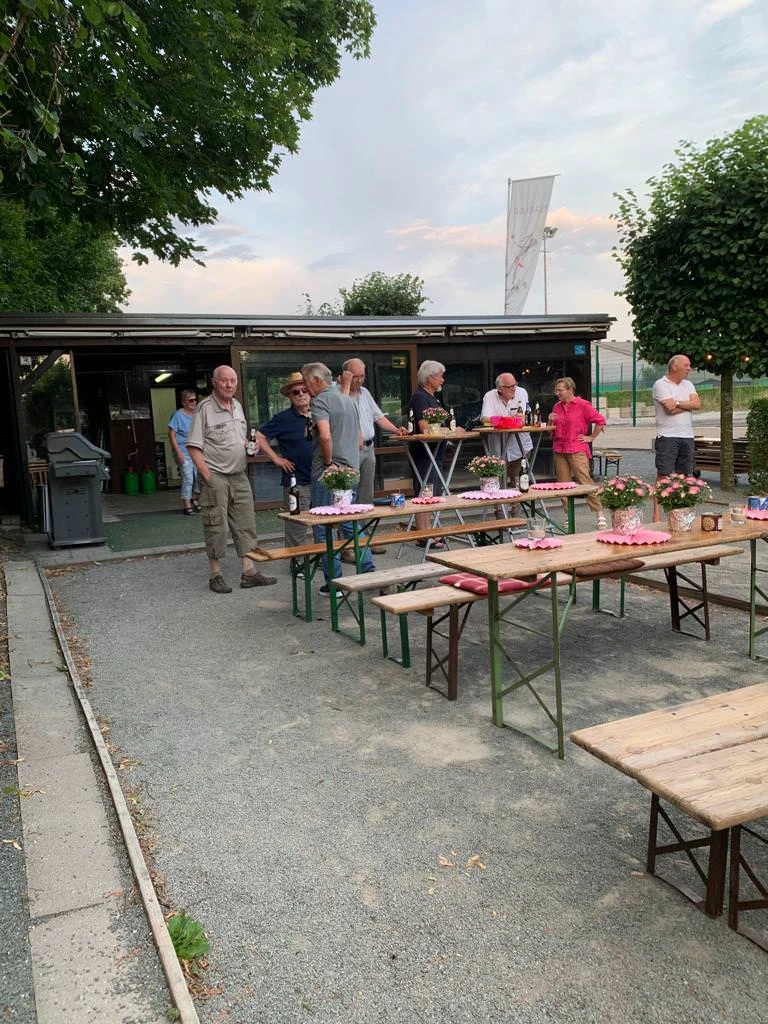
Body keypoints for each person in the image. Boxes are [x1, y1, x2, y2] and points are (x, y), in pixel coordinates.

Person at [187, 365, 276, 594]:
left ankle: (249, 572)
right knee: (216, 525)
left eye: (233, 380)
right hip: (216, 475)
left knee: (246, 523)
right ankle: (215, 575)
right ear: (214, 382)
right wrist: (208, 476)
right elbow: (194, 447)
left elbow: (239, 440)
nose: (229, 384)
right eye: (224, 380)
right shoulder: (204, 409)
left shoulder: (237, 406)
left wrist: (250, 447)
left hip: (239, 474)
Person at [301, 361, 374, 593]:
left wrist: (328, 463)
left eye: (305, 382)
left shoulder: (320, 401)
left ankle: (334, 583)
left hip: (329, 473)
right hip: (351, 469)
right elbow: (356, 436)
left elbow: (324, 435)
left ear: (316, 380)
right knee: (350, 523)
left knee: (324, 527)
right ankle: (369, 572)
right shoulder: (348, 399)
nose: (304, 388)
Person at [338, 357, 408, 560]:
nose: (359, 380)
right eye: (355, 376)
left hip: (368, 448)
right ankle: (347, 546)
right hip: (349, 450)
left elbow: (378, 417)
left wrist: (396, 429)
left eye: (362, 376)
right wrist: (346, 386)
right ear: (346, 374)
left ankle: (365, 540)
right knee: (346, 498)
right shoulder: (338, 393)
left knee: (365, 496)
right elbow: (340, 415)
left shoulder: (365, 393)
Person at [255, 372, 313, 548]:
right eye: (296, 392)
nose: (301, 394)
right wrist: (276, 459)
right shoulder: (283, 418)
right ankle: (297, 561)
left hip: (321, 479)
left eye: (304, 390)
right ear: (289, 396)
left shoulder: (320, 413)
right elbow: (259, 437)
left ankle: (326, 559)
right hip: (297, 481)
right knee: (297, 527)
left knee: (325, 525)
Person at [549, 376, 607, 528]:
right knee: (563, 484)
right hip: (559, 449)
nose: (557, 393)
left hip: (576, 448)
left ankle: (599, 513)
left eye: (560, 390)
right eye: (556, 390)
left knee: (585, 481)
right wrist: (550, 421)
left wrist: (591, 437)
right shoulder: (556, 406)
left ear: (570, 390)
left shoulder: (583, 405)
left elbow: (600, 420)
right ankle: (568, 515)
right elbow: (552, 430)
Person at [407, 360, 453, 546]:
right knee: (425, 490)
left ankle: (428, 531)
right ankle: (423, 534)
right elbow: (425, 427)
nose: (443, 380)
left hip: (435, 451)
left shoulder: (432, 397)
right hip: (424, 453)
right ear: (430, 378)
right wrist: (449, 431)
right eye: (440, 376)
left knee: (431, 491)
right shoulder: (420, 397)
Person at [652, 354, 700, 476]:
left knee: (684, 475)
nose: (689, 368)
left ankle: (681, 490)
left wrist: (677, 403)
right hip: (667, 436)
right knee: (664, 474)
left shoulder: (688, 384)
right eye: (686, 365)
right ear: (674, 367)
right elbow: (670, 410)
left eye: (689, 365)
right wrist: (688, 407)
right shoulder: (661, 384)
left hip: (687, 436)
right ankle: (660, 490)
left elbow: (697, 404)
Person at [480, 372, 533, 481]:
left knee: (519, 483)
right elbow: (484, 419)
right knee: (497, 483)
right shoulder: (489, 396)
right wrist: (506, 420)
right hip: (497, 449)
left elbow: (523, 419)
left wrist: (498, 421)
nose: (514, 389)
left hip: (520, 448)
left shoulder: (521, 392)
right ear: (500, 388)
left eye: (515, 385)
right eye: (510, 387)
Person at [168, 389, 202, 516]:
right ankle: (187, 504)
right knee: (188, 477)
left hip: (197, 450)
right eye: (191, 400)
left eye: (195, 400)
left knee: (199, 476)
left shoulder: (197, 414)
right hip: (183, 450)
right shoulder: (178, 415)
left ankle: (194, 498)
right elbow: (171, 435)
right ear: (184, 402)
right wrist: (179, 454)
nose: (194, 402)